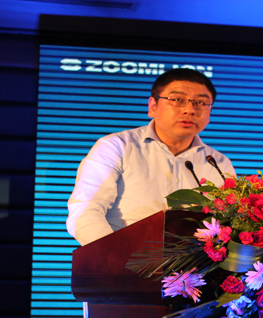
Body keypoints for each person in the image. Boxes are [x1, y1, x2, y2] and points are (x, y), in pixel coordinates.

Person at [67, 68, 236, 245]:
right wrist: (117, 256)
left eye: (201, 103)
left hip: (195, 262)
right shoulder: (116, 147)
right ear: (153, 106)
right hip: (125, 256)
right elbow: (85, 213)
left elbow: (230, 222)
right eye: (177, 100)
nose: (190, 110)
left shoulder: (218, 163)